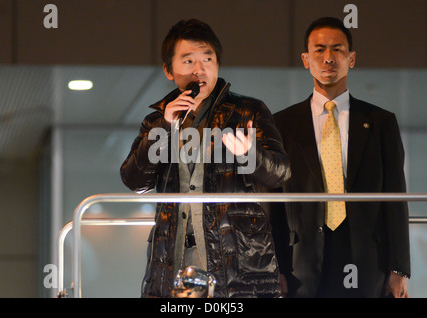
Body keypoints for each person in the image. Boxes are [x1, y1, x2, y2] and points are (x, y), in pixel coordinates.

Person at [120, 19, 291, 298]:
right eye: (188, 61)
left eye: (207, 59)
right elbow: (133, 179)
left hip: (237, 261)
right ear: (168, 70)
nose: (200, 70)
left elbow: (280, 173)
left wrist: (249, 155)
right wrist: (164, 128)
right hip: (172, 261)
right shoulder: (156, 121)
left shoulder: (248, 111)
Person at [271, 17, 410, 298]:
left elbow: (395, 197)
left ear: (352, 58)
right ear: (305, 59)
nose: (328, 58)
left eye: (337, 49)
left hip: (368, 259)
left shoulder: (381, 122)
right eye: (319, 50)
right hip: (301, 261)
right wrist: (276, 269)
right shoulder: (281, 123)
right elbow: (272, 204)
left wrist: (399, 269)